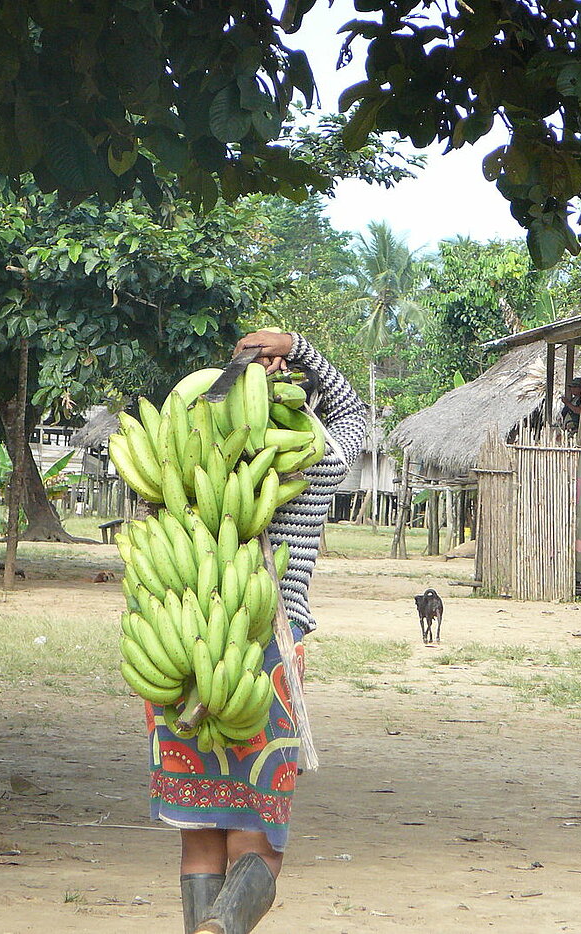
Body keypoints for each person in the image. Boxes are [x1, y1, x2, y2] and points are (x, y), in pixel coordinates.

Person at [146, 331, 366, 934]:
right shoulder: (316, 459)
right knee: (258, 839)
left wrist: (240, 367)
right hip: (265, 653)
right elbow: (355, 416)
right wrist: (299, 347)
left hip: (179, 650)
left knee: (201, 836)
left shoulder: (177, 459)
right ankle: (221, 929)